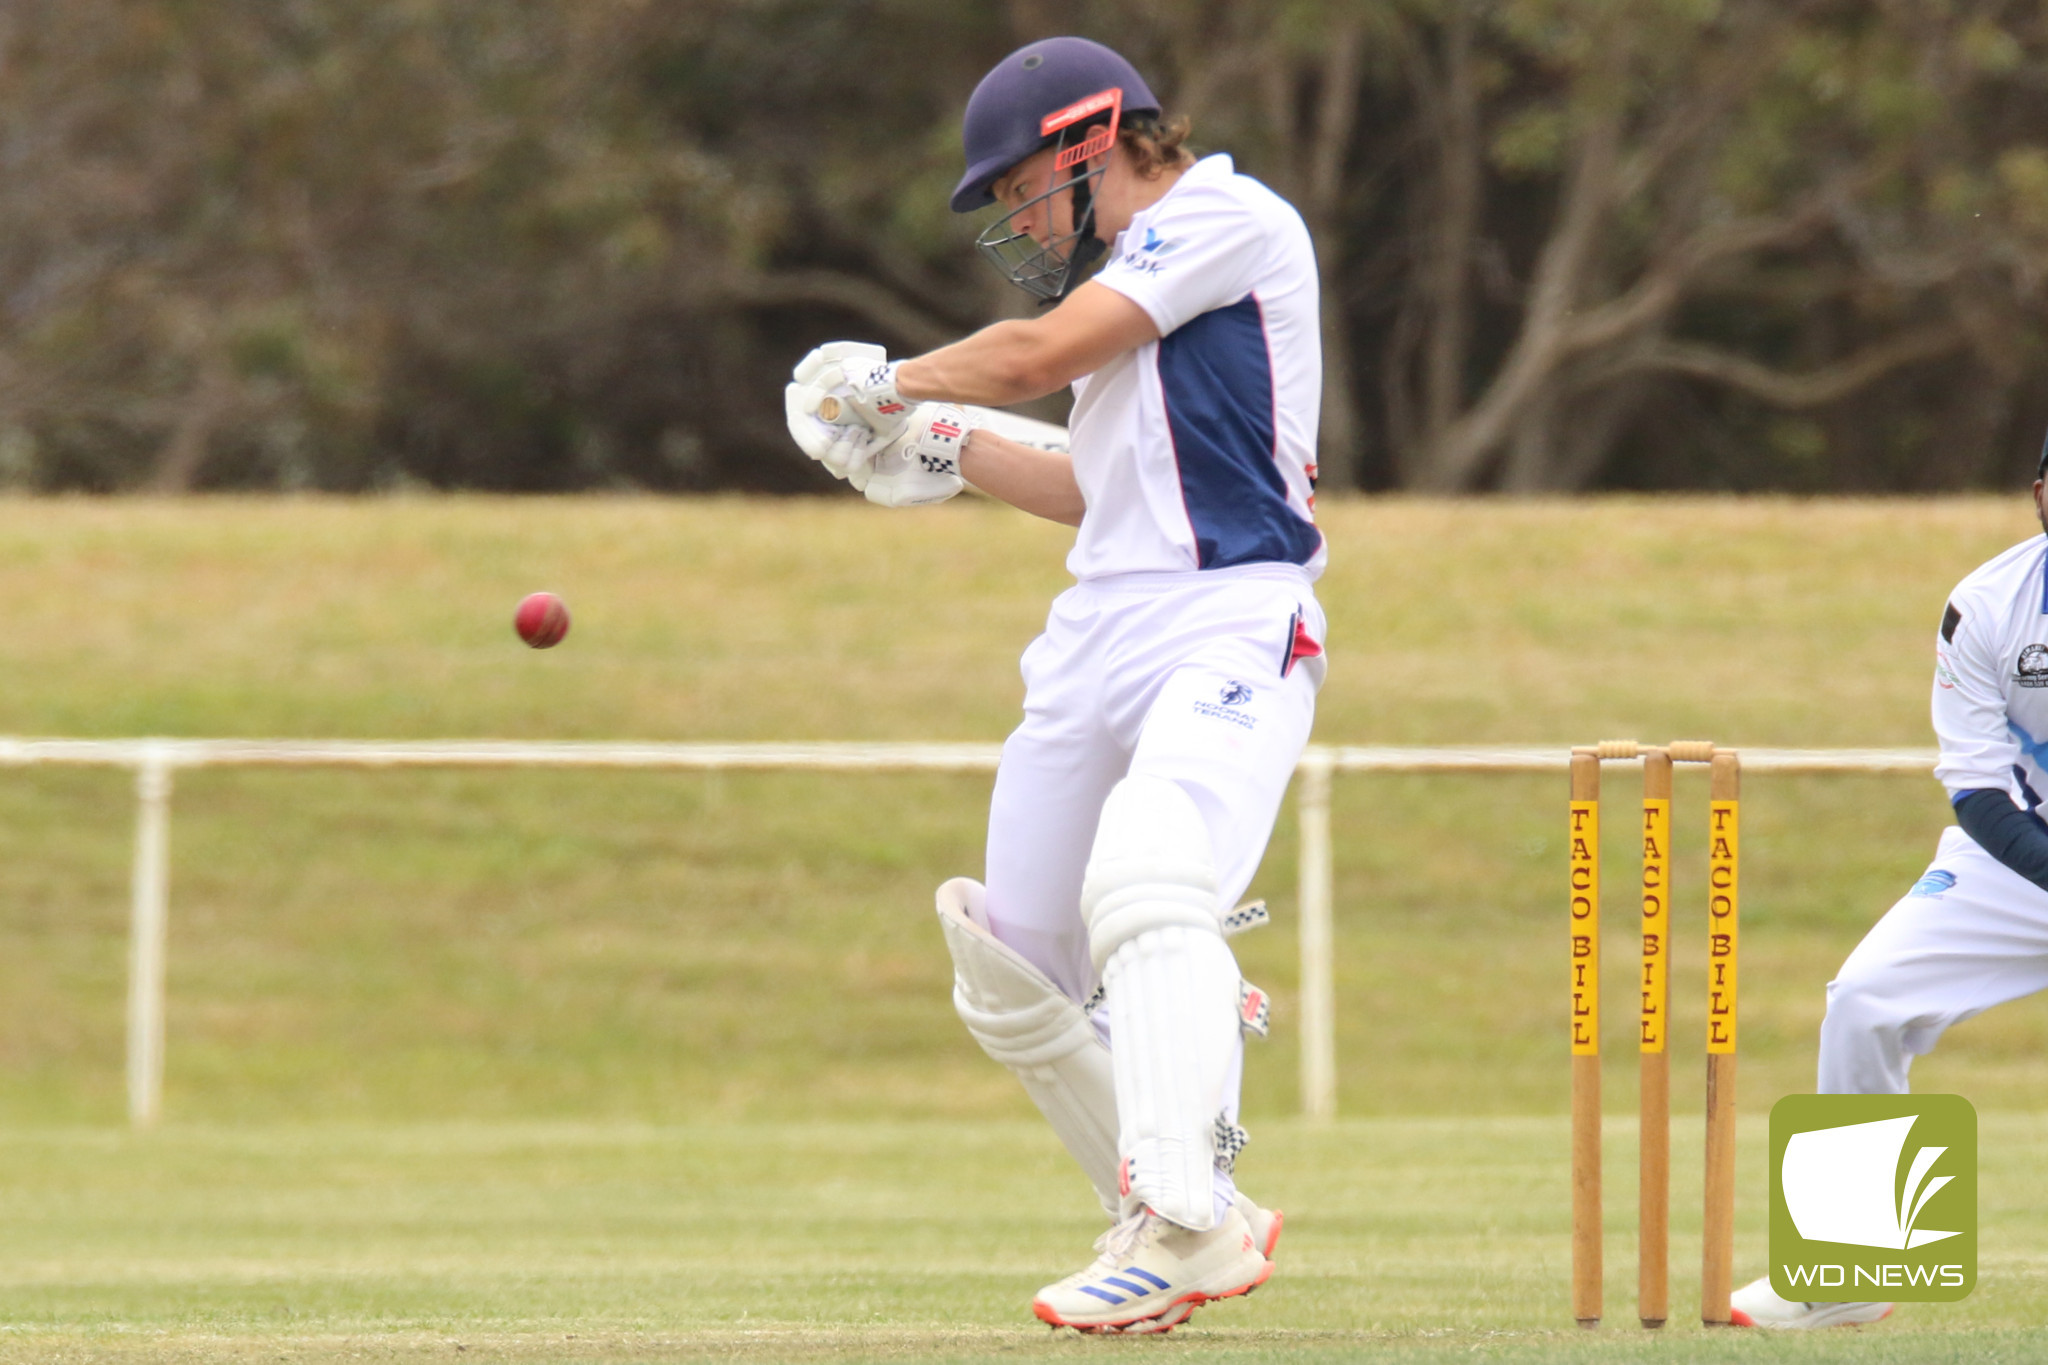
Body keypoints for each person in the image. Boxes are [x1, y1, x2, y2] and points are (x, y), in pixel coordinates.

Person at [782, 35, 1326, 1334]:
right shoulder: (1126, 294)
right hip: (1098, 628)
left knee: (1148, 874)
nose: (1018, 221)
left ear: (1093, 142)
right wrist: (943, 447)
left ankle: (1183, 1209)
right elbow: (1097, 486)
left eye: (1021, 189)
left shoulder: (1225, 220)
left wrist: (895, 382)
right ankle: (1191, 1202)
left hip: (1228, 615)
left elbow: (1029, 354)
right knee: (1007, 959)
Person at [1730, 442, 2048, 1329]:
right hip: (2021, 863)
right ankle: (1855, 1270)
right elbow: (1980, 786)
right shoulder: (1985, 605)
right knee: (1867, 997)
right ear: (2037, 495)